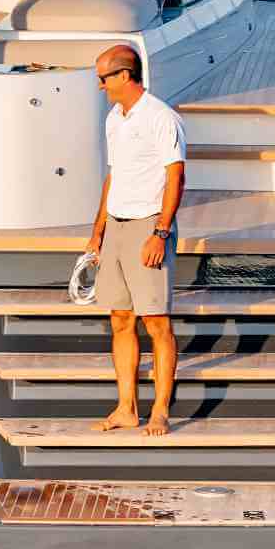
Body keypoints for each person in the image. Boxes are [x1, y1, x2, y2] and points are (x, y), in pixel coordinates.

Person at [85, 44, 186, 436]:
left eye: (103, 77)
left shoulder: (162, 118)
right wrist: (98, 231)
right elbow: (114, 175)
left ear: (124, 75)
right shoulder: (114, 117)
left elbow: (176, 177)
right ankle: (126, 407)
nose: (99, 85)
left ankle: (160, 410)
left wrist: (161, 232)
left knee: (157, 322)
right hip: (116, 225)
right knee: (120, 318)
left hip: (148, 226)